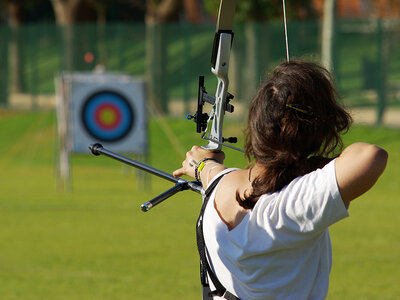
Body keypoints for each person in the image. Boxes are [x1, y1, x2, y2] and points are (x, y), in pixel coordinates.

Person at [173, 60, 388, 300]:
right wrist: (314, 165)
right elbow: (371, 156)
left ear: (256, 123)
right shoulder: (291, 205)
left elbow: (209, 171)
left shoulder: (218, 184)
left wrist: (202, 164)